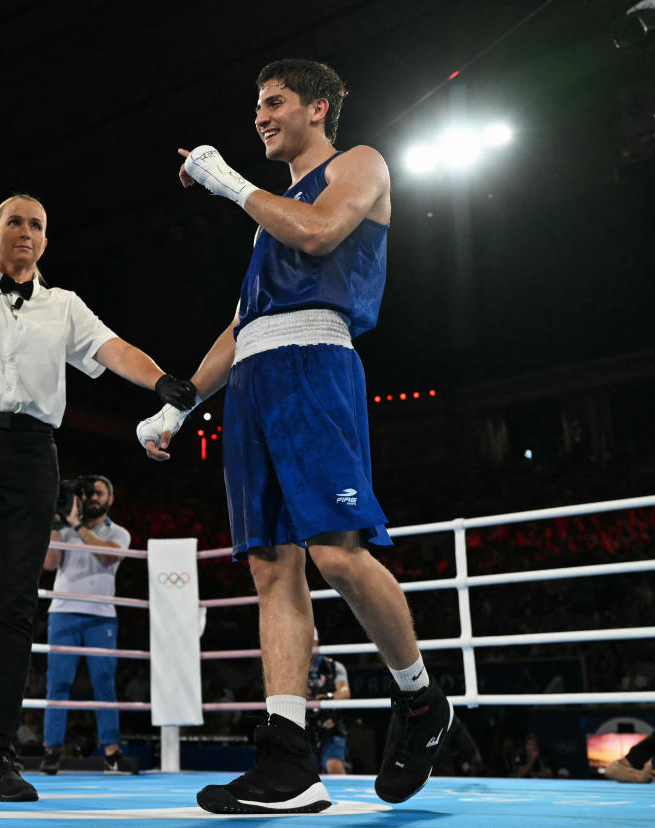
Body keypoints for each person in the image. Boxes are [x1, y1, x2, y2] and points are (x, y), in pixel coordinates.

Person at [137, 58, 452, 814]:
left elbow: (319, 236)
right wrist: (182, 402)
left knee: (337, 555)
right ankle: (287, 761)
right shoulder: (268, 212)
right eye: (255, 104)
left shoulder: (359, 164)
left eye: (272, 101)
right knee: (271, 567)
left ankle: (421, 699)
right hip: (254, 380)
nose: (259, 115)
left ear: (318, 107)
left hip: (316, 365)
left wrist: (229, 186)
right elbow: (247, 322)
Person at [0, 81, 199, 803]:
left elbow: (114, 347)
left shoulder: (63, 305)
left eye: (35, 224)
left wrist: (163, 384)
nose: (24, 232)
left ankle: (0, 758)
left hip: (31, 451)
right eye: (13, 222)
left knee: (15, 605)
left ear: (45, 241)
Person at [39, 475, 129, 774]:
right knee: (58, 683)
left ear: (110, 498)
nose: (92, 497)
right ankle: (52, 750)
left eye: (98, 493)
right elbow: (49, 564)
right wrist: (55, 522)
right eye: (87, 493)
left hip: (101, 615)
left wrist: (77, 526)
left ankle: (112, 752)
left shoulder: (119, 533)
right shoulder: (65, 529)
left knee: (104, 682)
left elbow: (107, 556)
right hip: (63, 611)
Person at [305, 628, 350, 775]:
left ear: (316, 641)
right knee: (303, 772)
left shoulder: (333, 667)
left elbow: (345, 692)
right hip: (302, 728)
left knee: (333, 765)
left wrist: (328, 697)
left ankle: (345, 796)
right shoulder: (291, 668)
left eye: (310, 641)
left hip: (331, 726)